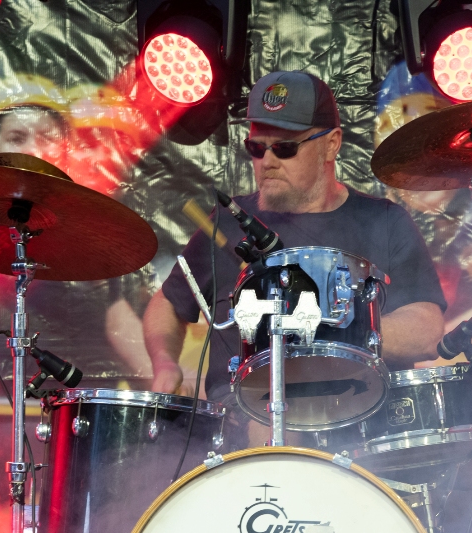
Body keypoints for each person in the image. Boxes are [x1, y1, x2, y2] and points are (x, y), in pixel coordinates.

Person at [143, 70, 447, 403]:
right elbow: (168, 304)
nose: (267, 162)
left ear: (331, 145)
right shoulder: (227, 224)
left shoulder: (384, 221)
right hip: (242, 421)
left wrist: (328, 329)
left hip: (357, 415)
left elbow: (426, 332)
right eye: (256, 147)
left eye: (284, 148)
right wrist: (164, 362)